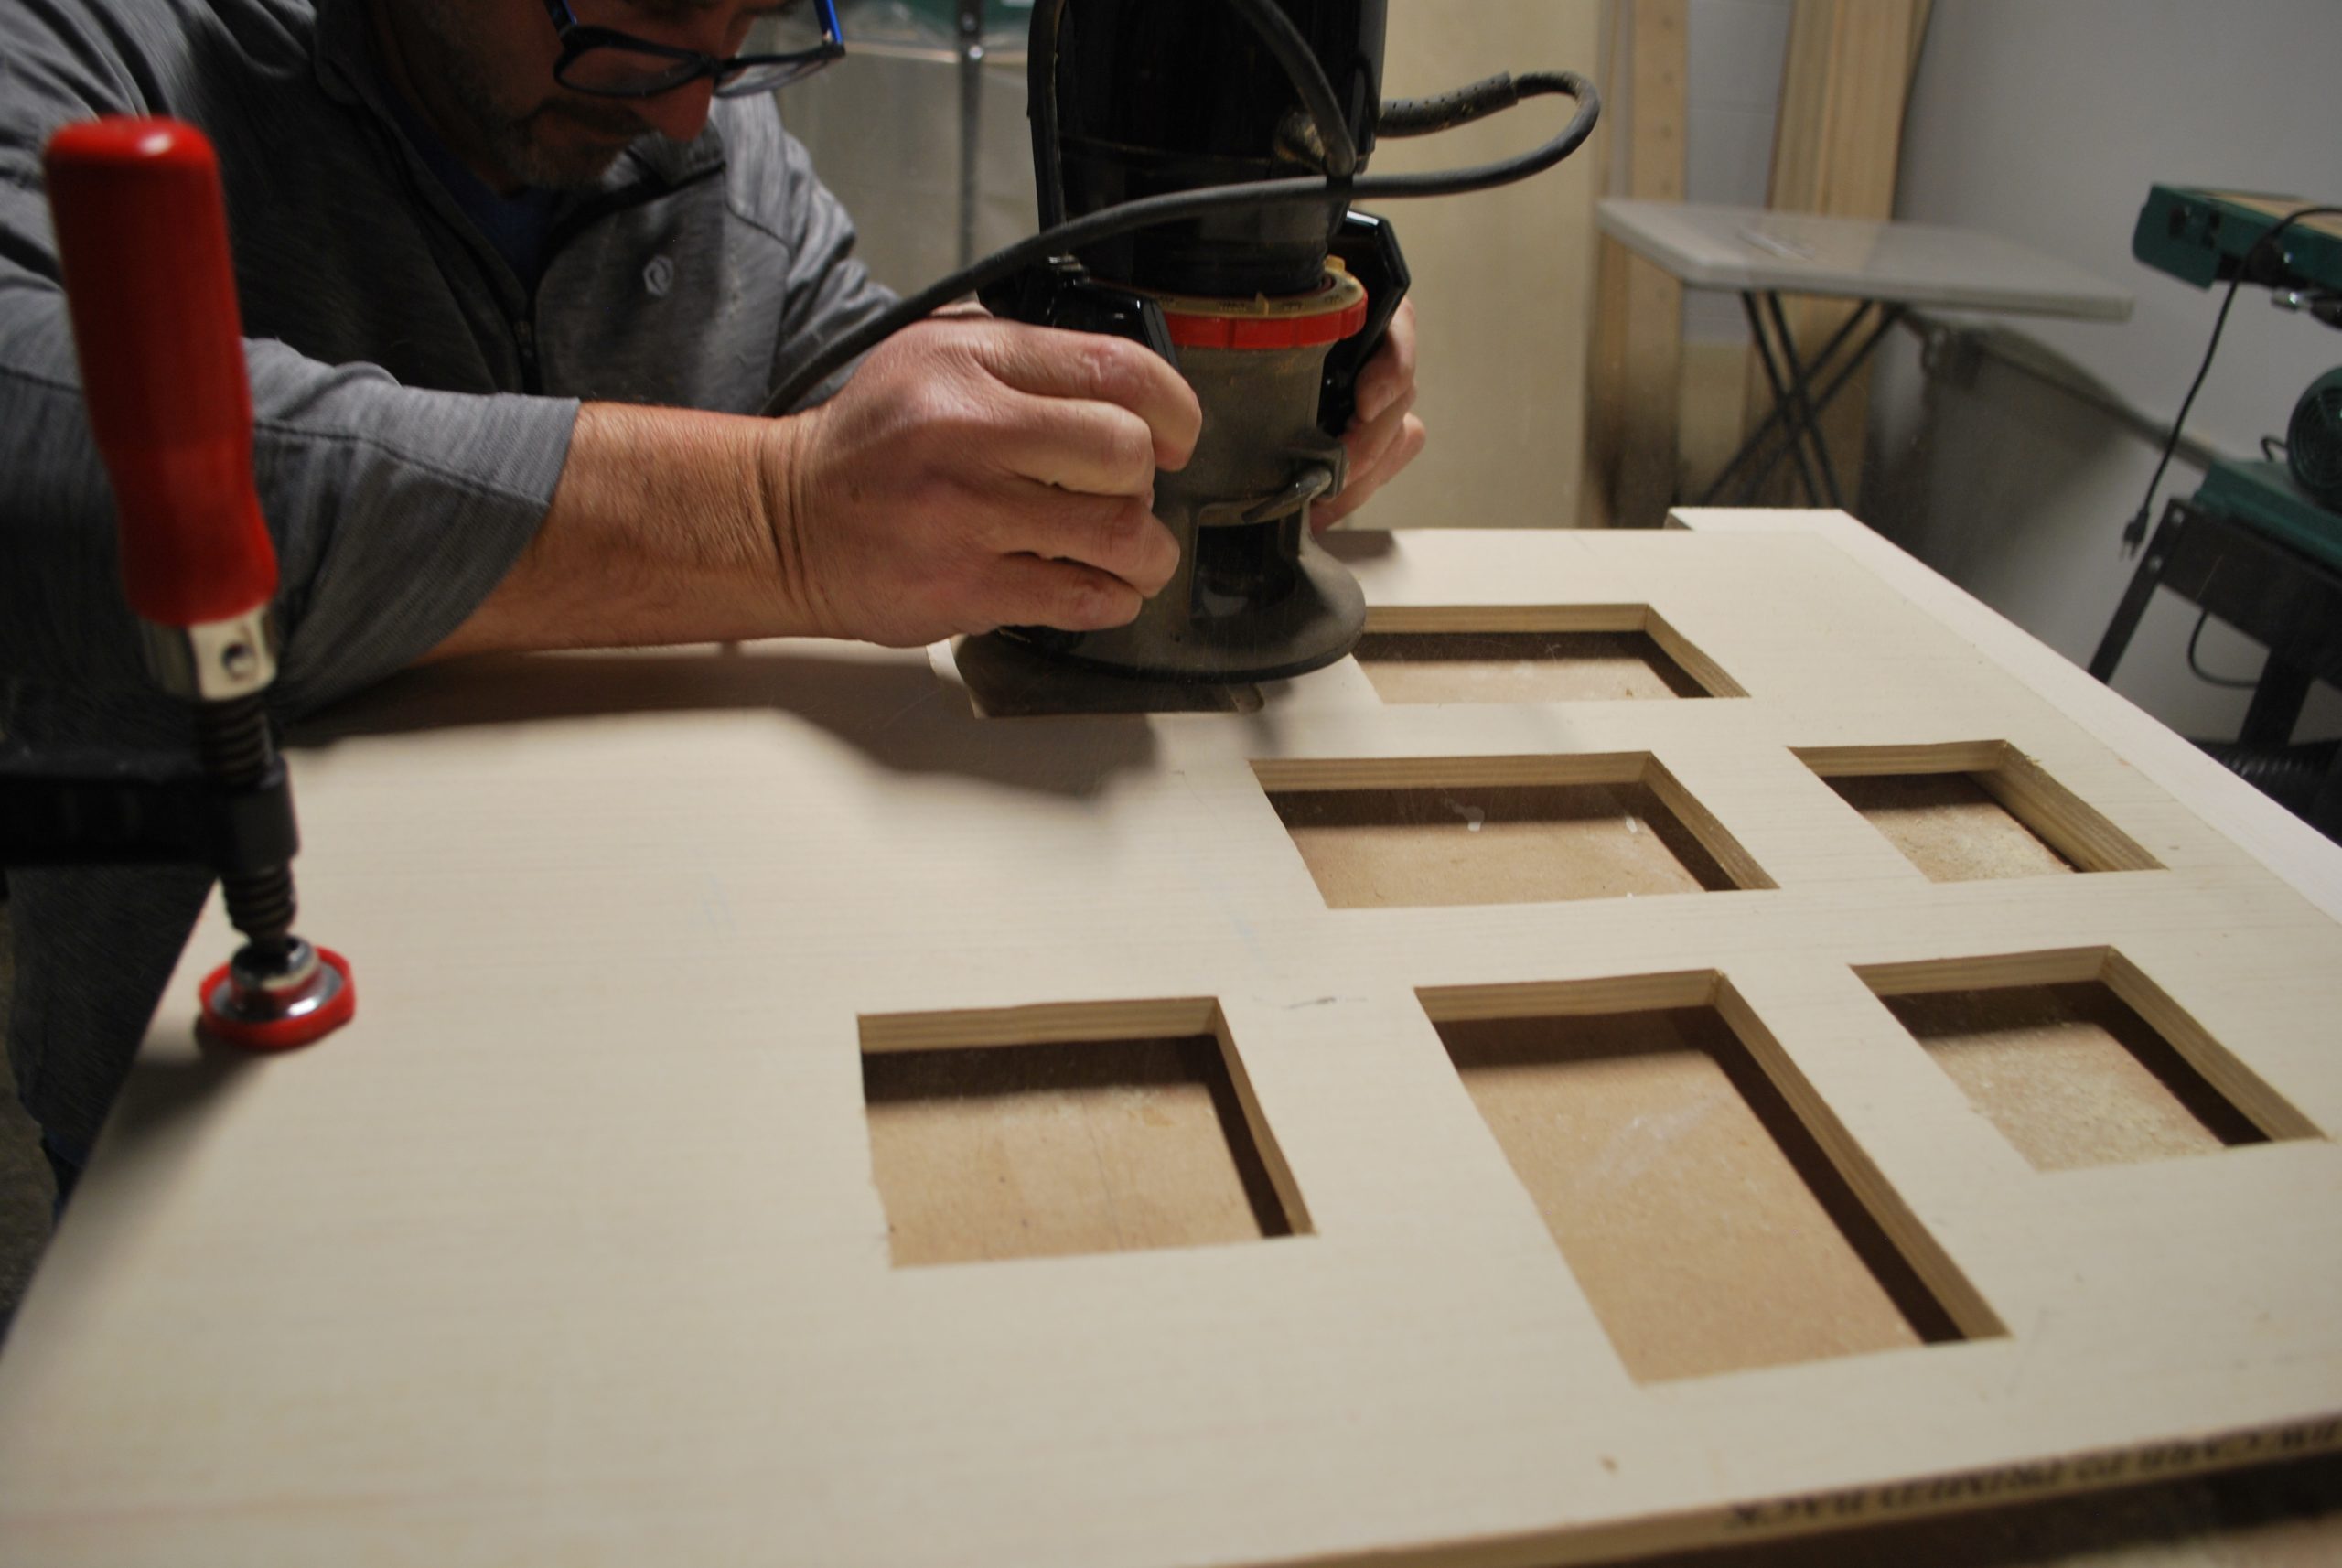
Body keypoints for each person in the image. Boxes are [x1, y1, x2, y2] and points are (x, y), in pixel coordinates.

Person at [0, 0, 1426, 1201]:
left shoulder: (695, 110)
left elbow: (850, 379)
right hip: (212, 1124)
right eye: (643, 10)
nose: (689, 110)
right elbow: (48, 464)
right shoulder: (91, 45)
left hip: (665, 1074)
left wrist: (1209, 386)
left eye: (749, 21)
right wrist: (771, 514)